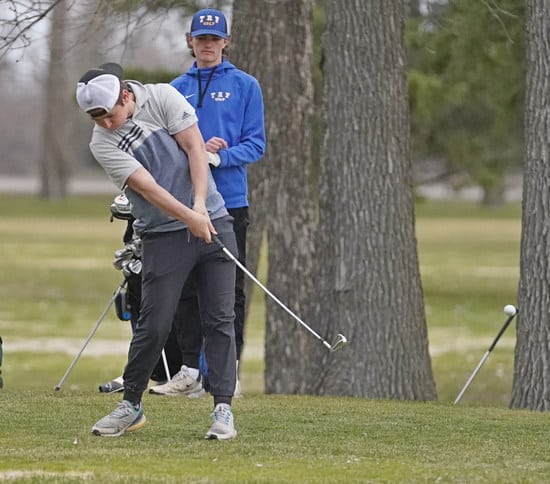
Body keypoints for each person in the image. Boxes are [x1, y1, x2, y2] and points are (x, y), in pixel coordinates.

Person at [76, 61, 238, 440]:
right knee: (155, 322)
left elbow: (195, 148)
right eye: (96, 118)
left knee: (220, 319)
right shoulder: (101, 142)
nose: (106, 125)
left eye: (110, 115)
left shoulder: (163, 96)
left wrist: (200, 206)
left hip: (214, 222)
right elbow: (147, 188)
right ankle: (131, 405)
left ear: (126, 96)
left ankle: (223, 409)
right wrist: (187, 217)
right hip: (163, 235)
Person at [148, 7, 266, 398]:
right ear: (190, 42)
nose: (208, 46)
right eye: (201, 40)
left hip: (228, 201)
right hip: (183, 202)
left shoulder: (246, 86)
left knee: (227, 291)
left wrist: (218, 156)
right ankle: (188, 371)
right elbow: (163, 145)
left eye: (215, 40)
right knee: (185, 289)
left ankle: (224, 373)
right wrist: (195, 152)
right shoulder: (174, 88)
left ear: (226, 43)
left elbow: (256, 144)